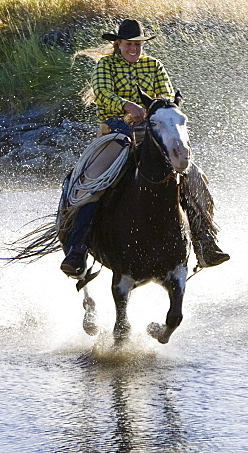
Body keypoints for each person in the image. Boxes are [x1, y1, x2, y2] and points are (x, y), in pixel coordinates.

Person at [59, 19, 229, 277]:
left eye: (138, 44)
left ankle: (205, 242)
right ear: (118, 44)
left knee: (193, 177)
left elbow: (167, 97)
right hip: (115, 133)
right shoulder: (106, 65)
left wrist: (159, 112)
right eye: (129, 44)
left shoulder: (154, 65)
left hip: (153, 134)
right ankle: (78, 249)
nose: (134, 49)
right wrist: (128, 106)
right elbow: (103, 93)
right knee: (93, 182)